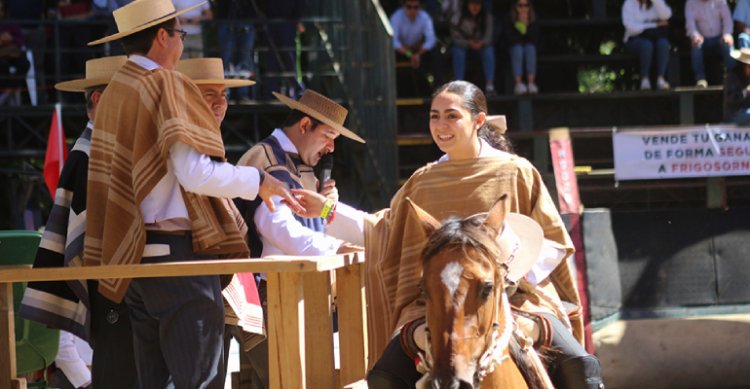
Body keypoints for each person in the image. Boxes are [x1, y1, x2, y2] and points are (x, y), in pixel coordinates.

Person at [292, 80, 604, 389]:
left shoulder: (517, 172)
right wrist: (325, 211)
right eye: (434, 115)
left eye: (452, 115)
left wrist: (505, 277)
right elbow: (386, 232)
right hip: (434, 306)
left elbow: (552, 242)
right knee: (383, 376)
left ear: (478, 120)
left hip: (516, 298)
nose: (441, 124)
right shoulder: (422, 181)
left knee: (580, 363)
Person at [84, 0, 304, 387]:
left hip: (134, 261)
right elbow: (194, 173)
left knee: (153, 382)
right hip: (177, 261)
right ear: (162, 37)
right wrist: (258, 181)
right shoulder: (164, 82)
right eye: (180, 34)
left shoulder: (116, 90)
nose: (182, 44)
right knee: (201, 380)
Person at [18, 55, 137, 389]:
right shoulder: (89, 156)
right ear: (98, 100)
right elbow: (91, 246)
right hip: (111, 304)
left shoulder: (98, 150)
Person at [233, 89, 366, 388]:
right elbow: (279, 229)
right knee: (285, 381)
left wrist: (327, 208)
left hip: (291, 294)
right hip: (267, 296)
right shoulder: (266, 160)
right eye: (328, 136)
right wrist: (337, 247)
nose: (331, 148)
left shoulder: (297, 162)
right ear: (305, 126)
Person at [175, 56, 268, 384]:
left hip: (219, 275)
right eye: (207, 94)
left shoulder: (208, 139)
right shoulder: (183, 140)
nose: (218, 103)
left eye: (223, 94)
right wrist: (261, 181)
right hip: (192, 274)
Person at [622, 0, 672, 91]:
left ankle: (661, 79)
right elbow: (631, 28)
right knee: (646, 45)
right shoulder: (629, 3)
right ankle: (645, 80)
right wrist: (655, 24)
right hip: (634, 39)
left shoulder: (655, 2)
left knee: (663, 44)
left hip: (655, 38)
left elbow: (666, 15)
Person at [449, 0, 496, 96]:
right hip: (463, 47)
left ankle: (490, 86)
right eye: (472, 3)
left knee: (489, 50)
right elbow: (455, 39)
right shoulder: (457, 17)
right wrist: (468, 43)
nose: (475, 7)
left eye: (478, 3)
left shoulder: (487, 17)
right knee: (457, 50)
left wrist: (481, 43)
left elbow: (489, 37)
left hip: (480, 48)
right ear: (467, 4)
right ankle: (459, 86)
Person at [215, 0, 258, 103]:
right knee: (226, 58)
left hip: (247, 19)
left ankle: (243, 94)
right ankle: (225, 94)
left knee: (245, 58)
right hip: (225, 19)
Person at [390, 0, 441, 86]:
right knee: (390, 54)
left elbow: (431, 40)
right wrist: (409, 54)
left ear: (419, 7)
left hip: (419, 51)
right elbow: (394, 42)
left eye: (415, 7)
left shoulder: (425, 17)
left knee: (436, 54)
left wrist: (418, 54)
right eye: (409, 7)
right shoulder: (396, 17)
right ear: (404, 7)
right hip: (402, 52)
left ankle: (439, 87)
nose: (412, 10)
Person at [685, 0, 733, 87]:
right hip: (702, 39)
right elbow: (690, 24)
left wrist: (727, 34)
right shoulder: (690, 3)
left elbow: (727, 20)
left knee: (728, 45)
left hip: (720, 38)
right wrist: (695, 36)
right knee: (696, 46)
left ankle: (732, 78)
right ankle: (700, 79)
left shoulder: (721, 1)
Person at [506, 0, 539, 95]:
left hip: (529, 49)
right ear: (515, 7)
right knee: (518, 49)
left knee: (530, 49)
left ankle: (531, 83)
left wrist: (526, 26)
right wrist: (519, 25)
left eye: (526, 5)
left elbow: (534, 40)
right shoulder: (509, 19)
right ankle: (518, 83)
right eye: (520, 5)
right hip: (513, 49)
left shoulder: (534, 20)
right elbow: (510, 40)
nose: (523, 8)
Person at [724, 48, 750, 123]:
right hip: (734, 114)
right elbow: (731, 98)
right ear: (744, 66)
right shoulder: (732, 78)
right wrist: (746, 91)